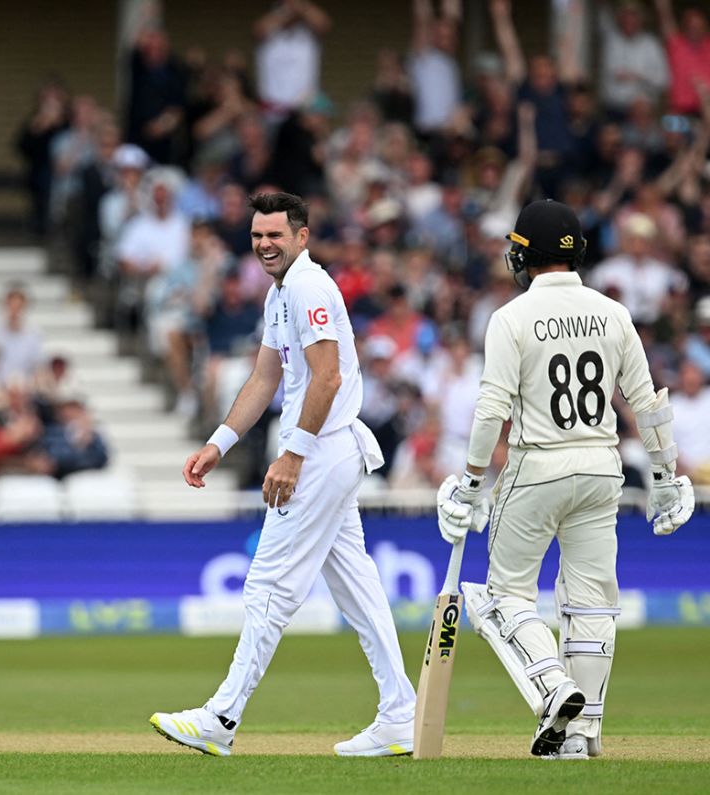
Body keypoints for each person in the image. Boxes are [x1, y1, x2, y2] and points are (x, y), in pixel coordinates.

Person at [150, 192, 414, 757]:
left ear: (302, 237)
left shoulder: (309, 286)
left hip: (319, 453)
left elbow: (328, 378)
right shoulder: (279, 293)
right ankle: (402, 715)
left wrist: (292, 454)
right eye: (256, 236)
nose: (265, 244)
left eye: (276, 234)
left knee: (269, 584)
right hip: (328, 451)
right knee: (359, 589)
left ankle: (221, 718)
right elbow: (265, 378)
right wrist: (219, 443)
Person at [436, 200, 694, 760]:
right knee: (593, 603)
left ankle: (554, 689)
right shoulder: (613, 312)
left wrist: (471, 480)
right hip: (602, 469)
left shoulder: (510, 317)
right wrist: (666, 476)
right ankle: (581, 736)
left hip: (536, 468)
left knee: (502, 598)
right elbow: (648, 402)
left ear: (527, 254)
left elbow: (490, 410)